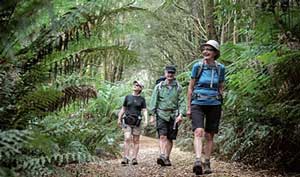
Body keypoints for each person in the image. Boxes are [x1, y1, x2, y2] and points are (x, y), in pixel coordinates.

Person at [187, 40, 225, 175]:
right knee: (198, 131)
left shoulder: (221, 68)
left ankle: (207, 161)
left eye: (209, 49)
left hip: (214, 104)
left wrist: (222, 103)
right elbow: (190, 88)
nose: (206, 51)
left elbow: (221, 87)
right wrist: (189, 107)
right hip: (198, 102)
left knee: (210, 135)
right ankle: (198, 160)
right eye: (204, 49)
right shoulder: (197, 66)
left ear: (215, 53)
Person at [149, 66, 185, 166]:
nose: (170, 75)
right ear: (165, 73)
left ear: (174, 74)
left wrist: (181, 114)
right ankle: (162, 155)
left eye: (172, 73)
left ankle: (167, 157)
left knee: (170, 137)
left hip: (173, 115)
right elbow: (153, 101)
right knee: (162, 135)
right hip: (161, 114)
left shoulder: (178, 87)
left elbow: (182, 102)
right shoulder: (159, 87)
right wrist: (151, 115)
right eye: (168, 73)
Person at [118, 80, 148, 165]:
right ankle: (126, 157)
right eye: (135, 84)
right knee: (127, 138)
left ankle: (134, 158)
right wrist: (119, 118)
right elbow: (123, 108)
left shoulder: (142, 99)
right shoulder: (127, 97)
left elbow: (144, 110)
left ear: (140, 88)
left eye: (138, 85)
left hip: (137, 122)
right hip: (127, 120)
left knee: (136, 140)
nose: (135, 85)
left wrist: (146, 120)